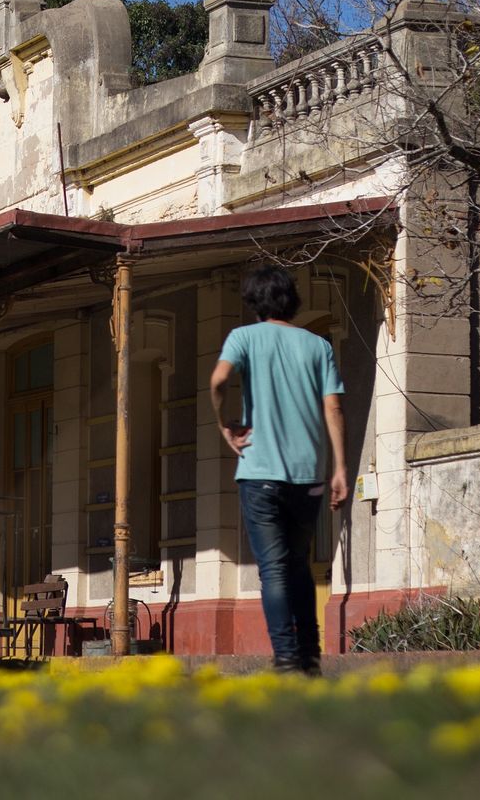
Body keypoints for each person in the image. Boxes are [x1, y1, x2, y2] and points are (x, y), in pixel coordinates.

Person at [209, 264, 349, 675]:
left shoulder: (244, 338)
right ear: (292, 300)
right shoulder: (317, 345)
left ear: (253, 303)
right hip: (309, 475)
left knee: (273, 570)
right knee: (299, 564)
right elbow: (334, 407)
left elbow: (218, 381)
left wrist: (226, 427)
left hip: (260, 474)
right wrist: (339, 467)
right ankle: (310, 656)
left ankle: (287, 660)